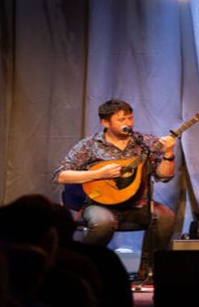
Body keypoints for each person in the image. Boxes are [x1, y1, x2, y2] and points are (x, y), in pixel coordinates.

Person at [53, 100, 178, 270]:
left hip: (137, 205)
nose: (128, 123)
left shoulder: (146, 143)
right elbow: (61, 175)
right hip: (100, 205)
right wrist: (98, 174)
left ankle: (149, 270)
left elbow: (164, 176)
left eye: (130, 118)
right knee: (103, 223)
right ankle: (83, 268)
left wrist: (169, 154)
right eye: (121, 120)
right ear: (105, 122)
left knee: (166, 217)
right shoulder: (90, 145)